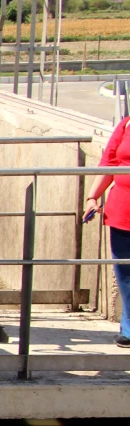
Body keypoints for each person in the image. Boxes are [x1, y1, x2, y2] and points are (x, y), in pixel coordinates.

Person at [84, 114, 130, 348]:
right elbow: (110, 163)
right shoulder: (126, 124)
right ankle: (129, 327)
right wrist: (93, 197)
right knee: (126, 274)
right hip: (122, 211)